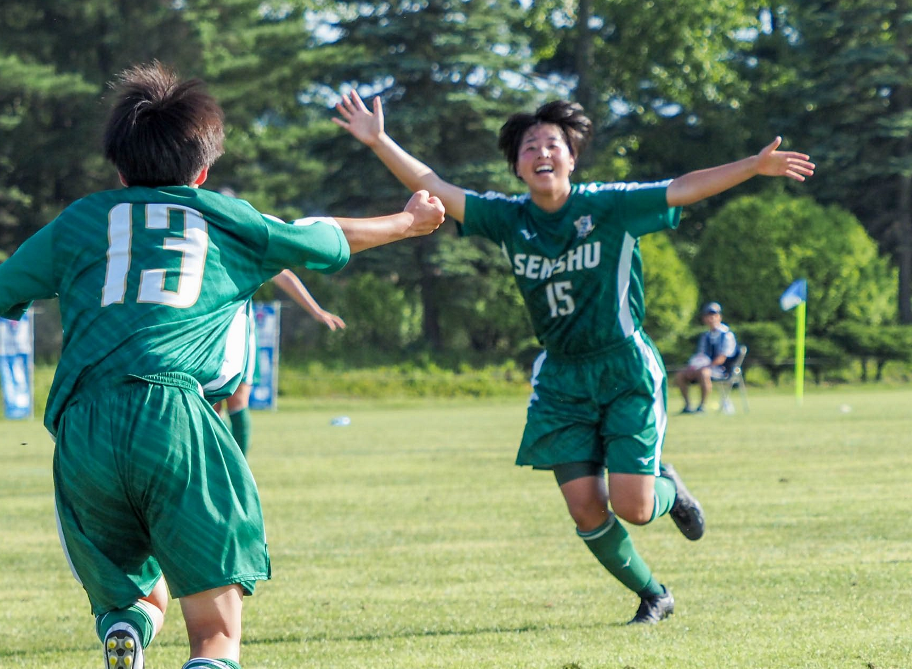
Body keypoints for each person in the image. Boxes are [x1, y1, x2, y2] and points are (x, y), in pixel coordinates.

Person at [0, 64, 447, 669]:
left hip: (84, 426)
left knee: (139, 590)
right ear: (202, 166)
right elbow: (328, 239)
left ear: (119, 164)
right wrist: (410, 221)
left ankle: (126, 630)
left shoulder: (82, 221)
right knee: (217, 624)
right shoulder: (223, 217)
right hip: (174, 417)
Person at [334, 90, 814, 625]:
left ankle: (667, 487)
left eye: (553, 143)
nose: (542, 151)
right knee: (585, 506)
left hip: (624, 367)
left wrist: (754, 166)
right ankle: (653, 594)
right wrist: (379, 141)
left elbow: (682, 189)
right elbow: (437, 187)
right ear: (517, 166)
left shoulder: (609, 205)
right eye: (529, 146)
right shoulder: (506, 218)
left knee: (633, 504)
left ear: (572, 157)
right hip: (562, 376)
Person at [216, 269, 345, 455]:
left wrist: (316, 311)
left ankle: (238, 470)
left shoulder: (247, 243)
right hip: (206, 332)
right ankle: (215, 467)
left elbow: (283, 275)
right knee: (210, 406)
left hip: (238, 334)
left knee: (237, 400)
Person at [674, 302, 738, 414]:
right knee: (680, 375)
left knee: (704, 373)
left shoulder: (727, 335)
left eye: (714, 315)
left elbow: (722, 357)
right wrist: (692, 368)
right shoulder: (705, 336)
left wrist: (705, 367)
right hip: (703, 367)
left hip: (722, 370)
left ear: (719, 317)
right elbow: (700, 356)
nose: (711, 318)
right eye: (708, 315)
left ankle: (702, 406)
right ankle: (688, 406)